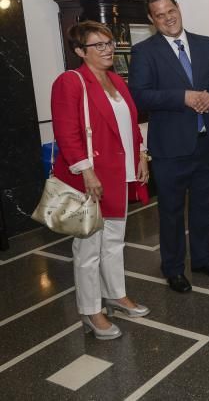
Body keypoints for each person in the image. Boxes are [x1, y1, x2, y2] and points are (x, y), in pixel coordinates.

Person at [128, 0, 209, 293]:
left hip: (208, 144)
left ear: (179, 8)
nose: (168, 19)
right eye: (159, 15)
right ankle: (173, 267)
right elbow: (140, 95)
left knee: (204, 208)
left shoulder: (206, 44)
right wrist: (183, 97)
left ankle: (202, 259)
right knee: (172, 212)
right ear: (152, 20)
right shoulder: (145, 52)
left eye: (170, 11)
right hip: (170, 149)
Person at [51, 21, 150, 340]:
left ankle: (116, 295)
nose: (108, 49)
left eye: (109, 43)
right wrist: (86, 171)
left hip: (119, 175)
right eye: (99, 45)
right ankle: (91, 310)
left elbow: (131, 123)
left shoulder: (116, 82)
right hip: (90, 178)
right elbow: (66, 133)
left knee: (113, 242)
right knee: (88, 249)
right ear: (80, 51)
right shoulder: (70, 81)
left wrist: (141, 155)